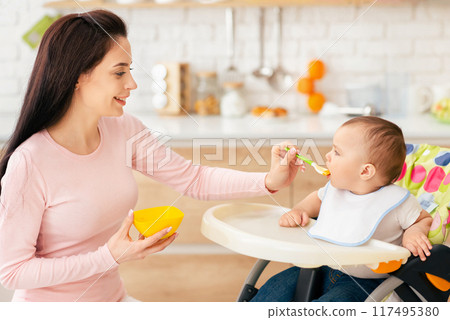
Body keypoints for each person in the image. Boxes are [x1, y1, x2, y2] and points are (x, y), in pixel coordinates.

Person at [0, 10, 305, 302]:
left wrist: (268, 180)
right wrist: (108, 257)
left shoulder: (122, 128)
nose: (131, 83)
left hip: (114, 301)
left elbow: (193, 179)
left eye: (129, 71)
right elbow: (11, 271)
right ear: (77, 76)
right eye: (119, 72)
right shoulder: (32, 161)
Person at [251, 116, 433, 302]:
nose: (327, 156)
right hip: (321, 266)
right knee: (275, 288)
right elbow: (317, 199)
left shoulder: (397, 202)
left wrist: (414, 232)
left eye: (337, 152)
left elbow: (423, 219)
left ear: (365, 171)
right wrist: (299, 210)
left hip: (366, 281)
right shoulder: (335, 190)